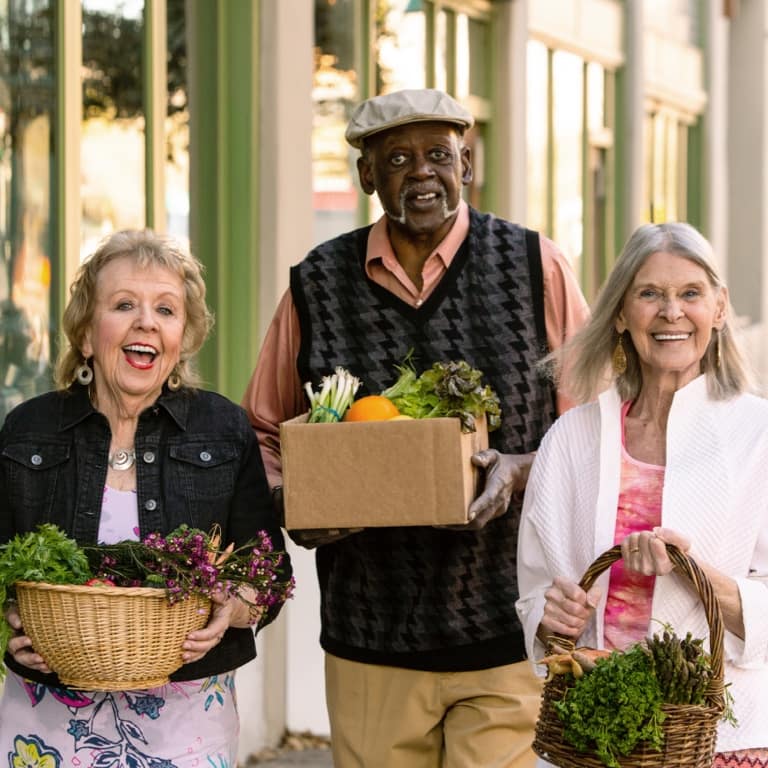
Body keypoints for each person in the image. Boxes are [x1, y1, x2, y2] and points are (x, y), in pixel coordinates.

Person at [242, 88, 588, 767]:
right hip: (372, 637)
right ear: (367, 174)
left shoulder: (533, 265)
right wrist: (292, 503)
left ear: (468, 161)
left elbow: (592, 428)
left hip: (505, 630)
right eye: (398, 158)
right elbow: (262, 433)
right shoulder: (316, 284)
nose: (422, 172)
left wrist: (520, 469)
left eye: (439, 154)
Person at [0, 230, 292, 768]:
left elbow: (269, 568)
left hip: (183, 723)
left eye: (166, 309)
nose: (147, 322)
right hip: (48, 722)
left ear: (182, 336)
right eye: (124, 305)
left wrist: (232, 608)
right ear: (87, 334)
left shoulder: (222, 428)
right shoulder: (28, 430)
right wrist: (8, 627)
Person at [516, 222, 768, 766]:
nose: (671, 312)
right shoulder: (570, 439)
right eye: (649, 293)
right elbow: (534, 589)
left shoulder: (759, 436)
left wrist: (693, 570)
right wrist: (547, 615)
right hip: (594, 731)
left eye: (691, 294)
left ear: (719, 308)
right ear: (620, 314)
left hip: (721, 736)